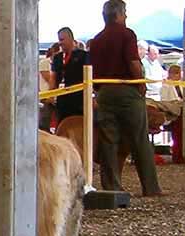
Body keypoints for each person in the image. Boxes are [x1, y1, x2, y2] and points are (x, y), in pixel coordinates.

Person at [90, 0, 163, 196]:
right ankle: (151, 187)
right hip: (126, 90)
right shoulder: (127, 34)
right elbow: (133, 62)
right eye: (125, 13)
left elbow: (93, 71)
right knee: (140, 138)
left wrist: (99, 91)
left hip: (104, 92)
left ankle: (111, 188)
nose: (127, 16)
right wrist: (141, 84)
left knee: (108, 140)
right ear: (120, 14)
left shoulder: (96, 40)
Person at [50, 27, 89, 123]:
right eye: (59, 40)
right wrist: (50, 95)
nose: (60, 42)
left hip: (79, 100)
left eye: (62, 39)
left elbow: (89, 76)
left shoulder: (83, 56)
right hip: (62, 100)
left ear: (71, 39)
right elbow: (53, 78)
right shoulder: (57, 58)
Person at [160, 64, 184, 163]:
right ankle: (177, 156)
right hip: (172, 113)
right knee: (177, 135)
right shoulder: (165, 86)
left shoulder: (180, 84)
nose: (179, 76)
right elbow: (165, 101)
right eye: (177, 74)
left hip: (181, 111)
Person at [39, 42, 60, 131]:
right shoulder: (44, 63)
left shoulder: (59, 64)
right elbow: (50, 79)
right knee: (45, 121)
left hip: (56, 96)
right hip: (46, 96)